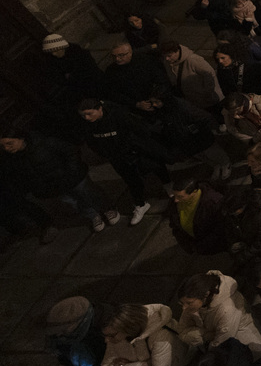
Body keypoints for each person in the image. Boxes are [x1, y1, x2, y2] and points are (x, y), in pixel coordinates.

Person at [0, 126, 119, 238]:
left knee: (89, 193)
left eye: (10, 143)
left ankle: (107, 209)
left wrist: (72, 172)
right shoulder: (13, 159)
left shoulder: (44, 143)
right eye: (3, 146)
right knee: (74, 202)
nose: (7, 148)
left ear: (21, 138)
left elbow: (70, 151)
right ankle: (93, 215)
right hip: (55, 187)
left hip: (72, 178)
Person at [76, 98, 169, 226]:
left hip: (136, 151)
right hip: (117, 157)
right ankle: (141, 204)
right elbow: (92, 143)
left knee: (156, 167)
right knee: (131, 179)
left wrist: (137, 146)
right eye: (83, 115)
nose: (86, 118)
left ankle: (169, 187)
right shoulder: (87, 125)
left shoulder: (118, 115)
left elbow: (139, 129)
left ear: (99, 109)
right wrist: (106, 153)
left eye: (89, 113)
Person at [176, 271, 261, 360]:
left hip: (245, 348)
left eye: (189, 303)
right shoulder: (195, 304)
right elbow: (182, 330)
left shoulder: (227, 310)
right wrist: (207, 335)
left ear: (205, 295)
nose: (184, 308)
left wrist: (199, 337)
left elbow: (221, 345)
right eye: (181, 303)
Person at [100, 303, 195, 366]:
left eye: (111, 335)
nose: (106, 340)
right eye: (105, 335)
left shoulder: (161, 334)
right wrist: (144, 365)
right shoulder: (117, 337)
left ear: (128, 328)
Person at [43, 296, 110, 366]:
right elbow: (61, 354)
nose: (59, 335)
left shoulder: (107, 330)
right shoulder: (64, 336)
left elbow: (107, 354)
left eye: (64, 330)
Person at [167, 176, 227, 255]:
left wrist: (201, 247)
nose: (176, 200)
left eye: (180, 196)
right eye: (175, 195)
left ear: (194, 192)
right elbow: (174, 225)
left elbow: (220, 229)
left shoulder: (213, 203)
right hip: (194, 244)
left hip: (211, 246)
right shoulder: (175, 203)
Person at [161, 40, 223, 114]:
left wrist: (208, 93)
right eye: (165, 56)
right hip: (194, 101)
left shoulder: (193, 60)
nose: (167, 59)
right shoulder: (169, 62)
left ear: (177, 51)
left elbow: (209, 74)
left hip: (208, 101)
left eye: (169, 56)